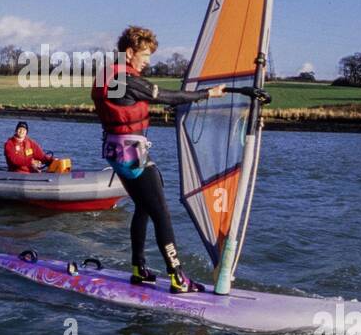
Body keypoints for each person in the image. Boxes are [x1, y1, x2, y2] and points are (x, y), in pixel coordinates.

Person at [92, 25, 256, 294]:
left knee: (143, 207)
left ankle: (138, 268)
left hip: (115, 151)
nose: (147, 62)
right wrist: (207, 94)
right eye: (145, 56)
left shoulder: (107, 74)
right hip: (131, 156)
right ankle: (177, 277)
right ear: (130, 52)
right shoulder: (126, 80)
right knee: (161, 213)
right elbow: (170, 97)